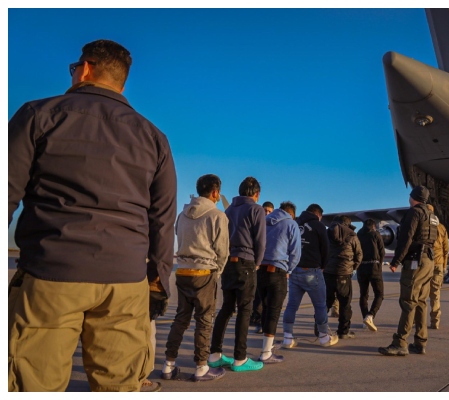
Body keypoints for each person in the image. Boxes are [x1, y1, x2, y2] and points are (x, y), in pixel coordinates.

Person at [8, 39, 176, 392]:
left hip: (53, 271)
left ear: (84, 68)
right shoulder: (154, 137)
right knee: (118, 387)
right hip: (126, 282)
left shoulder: (39, 114)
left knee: (34, 383)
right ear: (122, 82)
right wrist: (158, 281)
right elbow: (162, 217)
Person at [162, 175, 229, 382]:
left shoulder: (182, 215)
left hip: (182, 272)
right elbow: (222, 250)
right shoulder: (217, 215)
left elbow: (177, 237)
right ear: (215, 192)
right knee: (204, 320)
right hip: (204, 273)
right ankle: (201, 366)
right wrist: (217, 271)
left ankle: (168, 364)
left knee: (180, 319)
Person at [209, 177, 266, 372]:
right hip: (246, 262)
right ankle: (240, 358)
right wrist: (257, 263)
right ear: (256, 194)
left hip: (229, 263)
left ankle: (214, 354)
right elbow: (260, 240)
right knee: (245, 310)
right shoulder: (256, 209)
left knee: (226, 309)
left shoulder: (229, 210)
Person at [379, 186, 440, 356]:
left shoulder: (414, 213)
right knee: (421, 302)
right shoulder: (433, 217)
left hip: (415, 262)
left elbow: (406, 238)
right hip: (428, 261)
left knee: (408, 301)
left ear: (413, 197)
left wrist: (396, 261)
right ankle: (420, 342)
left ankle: (400, 342)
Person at [282, 204, 337, 348]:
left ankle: (288, 337)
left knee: (292, 305)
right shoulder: (319, 226)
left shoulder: (295, 224)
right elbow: (326, 248)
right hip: (312, 271)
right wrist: (323, 266)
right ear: (318, 215)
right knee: (320, 305)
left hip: (294, 270)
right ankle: (324, 337)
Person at [255, 201, 301, 364]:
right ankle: (266, 352)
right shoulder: (291, 224)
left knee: (266, 308)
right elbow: (296, 253)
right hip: (278, 270)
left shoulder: (263, 221)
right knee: (274, 311)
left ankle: (267, 345)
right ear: (292, 214)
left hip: (260, 271)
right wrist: (288, 270)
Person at [326, 215, 363, 339]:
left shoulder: (327, 234)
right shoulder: (352, 236)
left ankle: (319, 329)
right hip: (344, 274)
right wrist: (353, 268)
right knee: (345, 304)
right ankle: (343, 331)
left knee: (325, 302)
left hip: (328, 273)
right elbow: (359, 255)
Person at [423, 205, 449, 329]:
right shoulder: (442, 228)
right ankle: (435, 322)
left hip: (425, 263)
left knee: (420, 294)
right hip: (438, 264)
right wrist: (444, 267)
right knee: (435, 294)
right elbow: (446, 249)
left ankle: (416, 320)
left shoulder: (423, 225)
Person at [357, 218, 386, 332]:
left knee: (364, 294)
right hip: (374, 267)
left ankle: (364, 318)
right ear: (373, 226)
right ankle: (370, 315)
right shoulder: (376, 234)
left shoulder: (358, 235)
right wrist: (379, 264)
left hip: (361, 268)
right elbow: (382, 252)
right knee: (379, 294)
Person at [250, 202, 274, 332]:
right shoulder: (256, 224)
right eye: (265, 210)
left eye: (270, 211)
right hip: (257, 264)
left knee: (266, 297)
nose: (267, 213)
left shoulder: (274, 227)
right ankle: (256, 318)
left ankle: (262, 321)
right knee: (256, 294)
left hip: (269, 265)